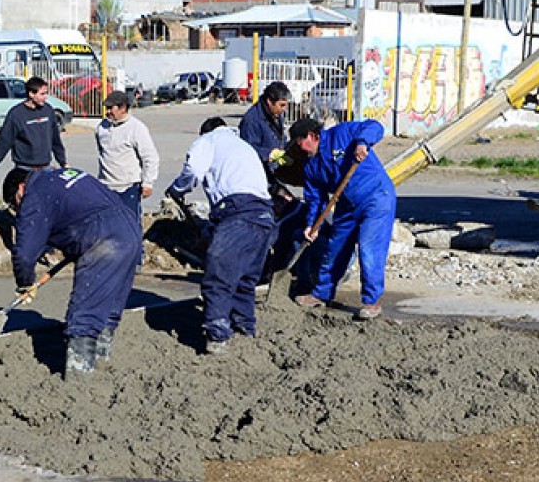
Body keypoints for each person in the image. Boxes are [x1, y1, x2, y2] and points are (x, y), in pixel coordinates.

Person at [8, 166, 143, 377]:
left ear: (21, 188)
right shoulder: (64, 175)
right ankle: (100, 361)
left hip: (104, 237)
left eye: (15, 203)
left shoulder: (35, 193)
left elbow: (25, 254)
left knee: (85, 315)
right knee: (107, 306)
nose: (18, 208)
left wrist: (25, 283)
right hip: (129, 230)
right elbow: (81, 212)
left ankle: (79, 379)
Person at [167, 118, 276, 353]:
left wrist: (178, 188)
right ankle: (245, 327)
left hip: (239, 212)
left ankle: (217, 335)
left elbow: (193, 169)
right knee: (245, 280)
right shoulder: (242, 145)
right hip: (264, 215)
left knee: (218, 276)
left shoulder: (209, 140)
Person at [288, 116, 396, 320]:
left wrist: (363, 142)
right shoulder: (312, 167)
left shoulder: (343, 134)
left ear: (312, 136)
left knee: (368, 248)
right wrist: (312, 225)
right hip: (346, 204)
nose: (299, 149)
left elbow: (375, 126)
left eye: (299, 143)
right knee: (335, 248)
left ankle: (371, 301)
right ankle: (321, 294)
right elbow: (315, 199)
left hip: (376, 197)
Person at [238, 81, 308, 282]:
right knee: (269, 225)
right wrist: (270, 154)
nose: (284, 110)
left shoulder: (274, 116)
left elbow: (279, 140)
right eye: (282, 105)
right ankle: (259, 270)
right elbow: (246, 151)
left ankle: (277, 266)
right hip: (259, 180)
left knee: (290, 213)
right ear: (269, 101)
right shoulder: (252, 120)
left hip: (273, 176)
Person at [0, 76, 67, 207]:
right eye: (42, 94)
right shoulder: (16, 115)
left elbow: (55, 141)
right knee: (26, 207)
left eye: (46, 93)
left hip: (45, 169)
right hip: (24, 171)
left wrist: (63, 162)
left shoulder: (48, 111)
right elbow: (3, 145)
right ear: (31, 94)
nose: (46, 97)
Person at [94, 91, 159, 221]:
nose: (107, 112)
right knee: (109, 224)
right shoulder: (102, 128)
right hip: (106, 186)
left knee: (130, 224)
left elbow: (150, 157)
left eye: (110, 108)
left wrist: (148, 183)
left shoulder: (136, 128)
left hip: (128, 188)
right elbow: (102, 152)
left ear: (123, 108)